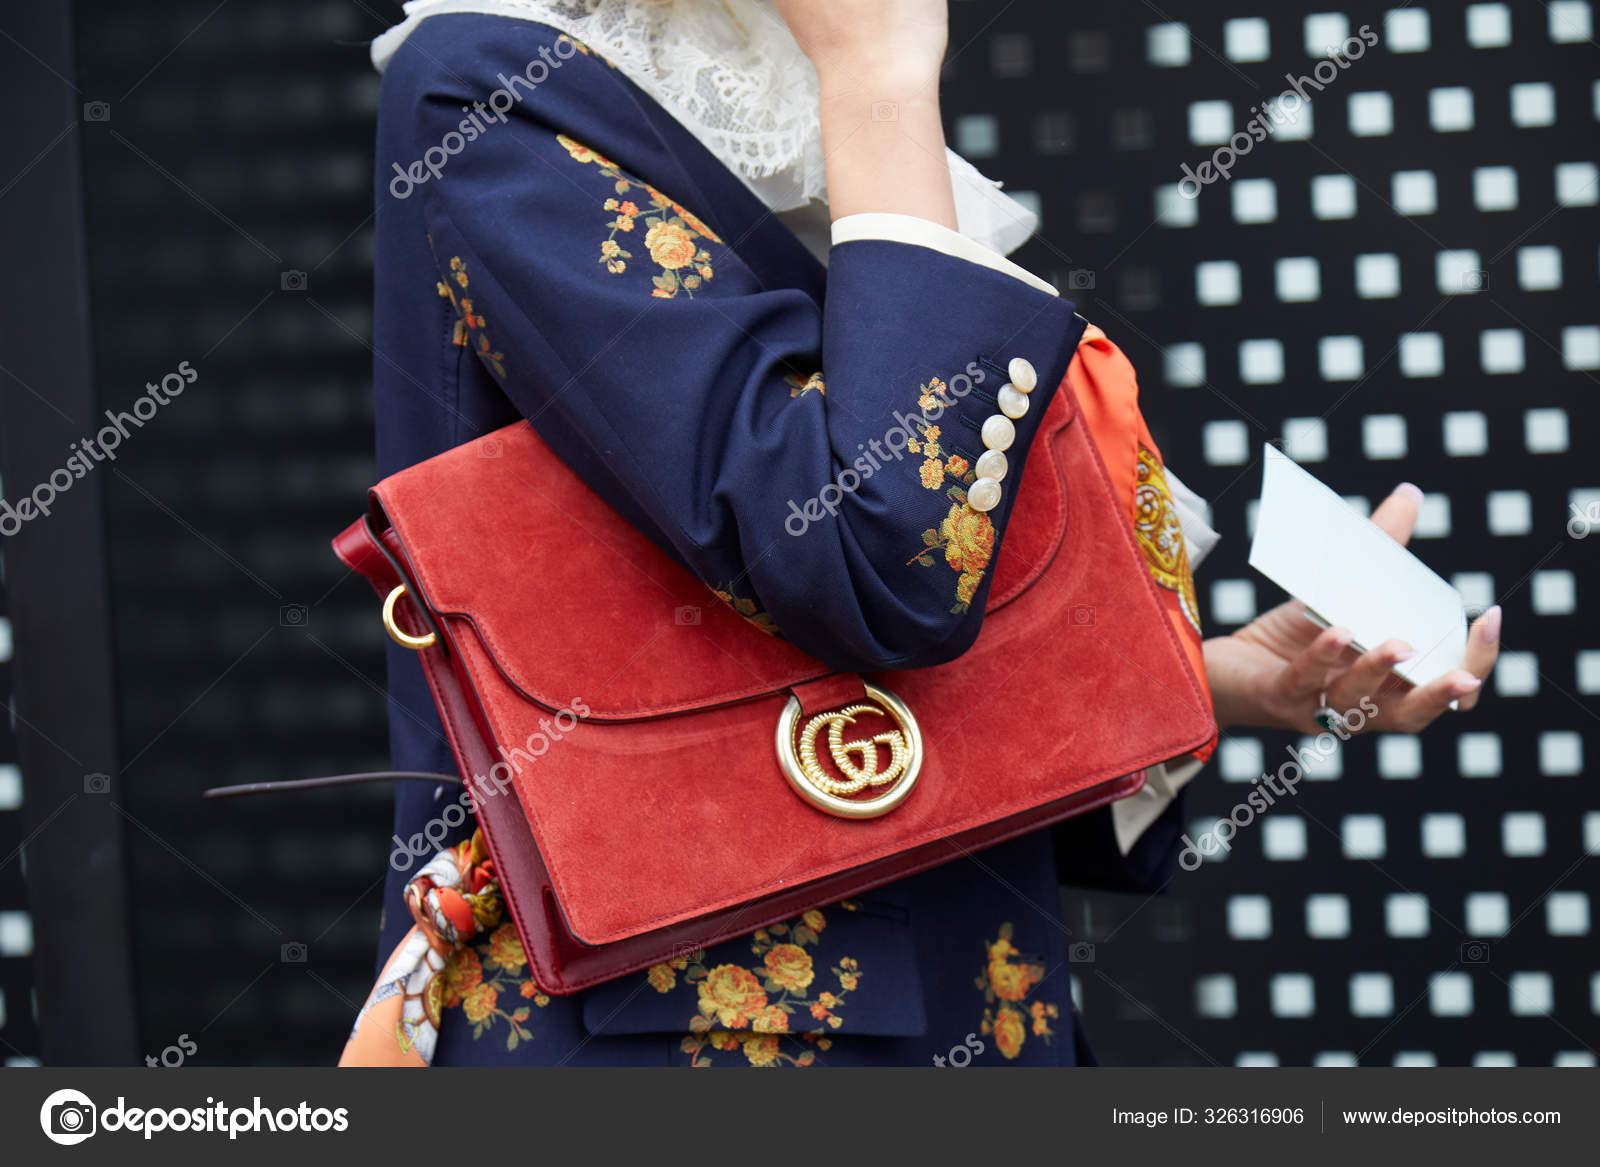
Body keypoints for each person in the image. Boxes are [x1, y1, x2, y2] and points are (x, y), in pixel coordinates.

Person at [344, 0, 1500, 1067]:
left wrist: (1218, 681)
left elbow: (862, 622)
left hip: (969, 1001)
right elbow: (865, 555)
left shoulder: (788, 99)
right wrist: (879, 75)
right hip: (695, 1027)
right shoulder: (493, 83)